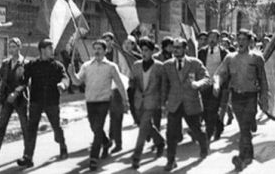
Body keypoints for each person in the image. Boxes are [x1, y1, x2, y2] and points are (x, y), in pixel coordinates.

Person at [67, 39, 129, 171]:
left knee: (98, 127)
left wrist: (125, 100)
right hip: (90, 101)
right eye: (95, 49)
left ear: (105, 51)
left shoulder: (111, 66)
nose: (96, 51)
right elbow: (77, 82)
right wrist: (72, 73)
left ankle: (94, 158)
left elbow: (119, 84)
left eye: (99, 49)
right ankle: (106, 142)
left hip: (104, 101)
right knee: (95, 128)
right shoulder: (87, 65)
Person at [213, 29, 269, 172]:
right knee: (243, 128)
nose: (241, 42)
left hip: (251, 96)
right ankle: (248, 154)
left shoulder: (256, 58)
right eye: (239, 39)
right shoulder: (230, 58)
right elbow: (219, 73)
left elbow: (263, 80)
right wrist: (216, 84)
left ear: (250, 41)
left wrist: (264, 99)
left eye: (244, 39)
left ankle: (242, 157)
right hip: (236, 97)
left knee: (244, 127)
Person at [16, 39, 70, 168]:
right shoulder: (32, 65)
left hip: (52, 101)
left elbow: (65, 78)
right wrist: (20, 75)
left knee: (56, 126)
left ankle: (62, 146)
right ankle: (28, 157)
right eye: (50, 48)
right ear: (42, 50)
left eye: (52, 48)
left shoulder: (57, 65)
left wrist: (63, 84)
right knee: (31, 129)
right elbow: (24, 81)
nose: (52, 51)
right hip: (36, 101)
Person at [161, 38, 211, 172]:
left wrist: (198, 84)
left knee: (196, 130)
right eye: (174, 47)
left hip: (191, 102)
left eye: (178, 47)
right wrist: (163, 103)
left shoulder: (195, 63)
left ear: (185, 49)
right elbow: (164, 86)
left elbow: (207, 78)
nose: (175, 50)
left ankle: (204, 146)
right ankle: (171, 160)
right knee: (170, 133)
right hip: (174, 103)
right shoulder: (167, 65)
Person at [0, 38, 29, 164]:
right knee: (1, 128)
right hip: (7, 100)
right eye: (10, 47)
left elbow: (26, 82)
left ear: (19, 47)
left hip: (20, 100)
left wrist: (16, 92)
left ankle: (27, 157)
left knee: (25, 128)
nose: (11, 49)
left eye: (14, 47)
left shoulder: (25, 63)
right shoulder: (6, 63)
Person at [129, 37, 165, 169]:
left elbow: (163, 85)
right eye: (141, 50)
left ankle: (136, 156)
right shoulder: (136, 65)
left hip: (152, 101)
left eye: (146, 50)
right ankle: (160, 141)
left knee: (143, 128)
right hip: (138, 101)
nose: (143, 53)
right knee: (145, 125)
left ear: (152, 51)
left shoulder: (159, 67)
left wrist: (162, 102)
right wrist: (132, 86)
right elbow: (132, 81)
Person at [198, 30, 228, 140]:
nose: (211, 40)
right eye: (210, 37)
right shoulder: (201, 52)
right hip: (205, 84)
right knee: (204, 110)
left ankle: (208, 133)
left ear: (218, 39)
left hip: (217, 85)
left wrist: (223, 85)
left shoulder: (224, 53)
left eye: (214, 37)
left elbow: (226, 70)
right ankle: (219, 126)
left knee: (213, 109)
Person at [153, 36, 174, 132]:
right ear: (164, 46)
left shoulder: (175, 57)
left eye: (172, 46)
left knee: (171, 110)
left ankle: (171, 131)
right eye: (169, 46)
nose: (171, 48)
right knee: (157, 111)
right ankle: (156, 130)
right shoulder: (156, 57)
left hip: (171, 87)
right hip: (158, 86)